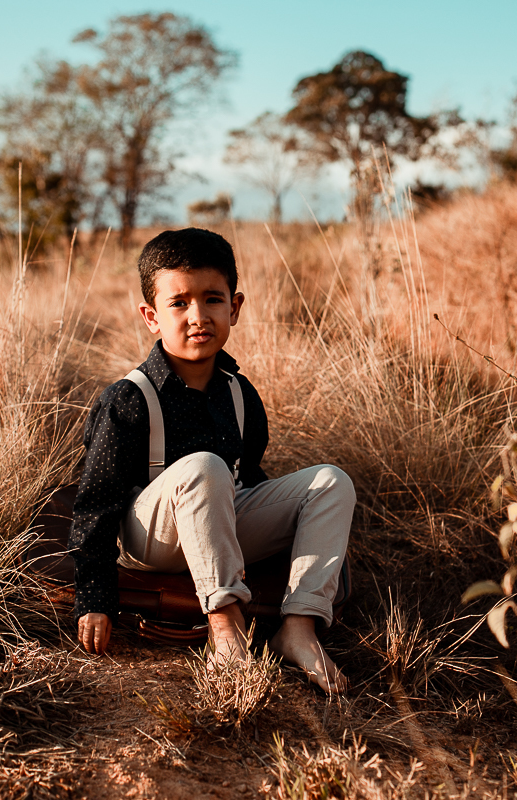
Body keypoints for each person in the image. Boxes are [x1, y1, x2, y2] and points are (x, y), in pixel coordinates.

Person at [69, 228, 355, 693]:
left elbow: (251, 476)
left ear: (234, 308)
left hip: (218, 527)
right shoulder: (129, 399)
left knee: (331, 481)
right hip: (151, 541)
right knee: (204, 466)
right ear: (151, 316)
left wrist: (290, 529)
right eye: (178, 303)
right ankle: (226, 629)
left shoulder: (241, 394)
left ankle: (299, 628)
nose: (197, 316)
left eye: (212, 299)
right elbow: (95, 505)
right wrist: (94, 597)